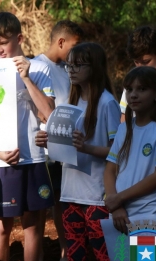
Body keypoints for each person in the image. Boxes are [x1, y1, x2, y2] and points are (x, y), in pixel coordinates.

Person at [36, 43, 120, 261]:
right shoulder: (70, 101)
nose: (71, 70)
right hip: (70, 192)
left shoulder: (107, 102)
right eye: (69, 65)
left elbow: (118, 152)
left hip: (98, 195)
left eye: (78, 65)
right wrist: (49, 142)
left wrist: (87, 147)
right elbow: (65, 149)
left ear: (95, 68)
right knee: (75, 254)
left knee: (105, 254)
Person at [0, 12, 55, 261]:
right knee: (1, 228)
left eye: (3, 42)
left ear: (19, 38)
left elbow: (48, 114)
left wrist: (26, 77)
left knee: (33, 226)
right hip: (2, 161)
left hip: (34, 158)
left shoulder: (40, 67)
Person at [104, 66, 156, 251]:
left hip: (148, 220)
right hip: (118, 218)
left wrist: (118, 199)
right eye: (129, 90)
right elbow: (109, 170)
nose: (133, 95)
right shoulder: (123, 129)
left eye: (142, 89)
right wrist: (116, 206)